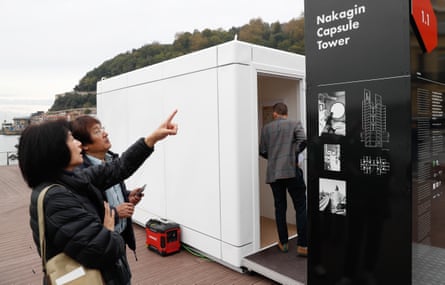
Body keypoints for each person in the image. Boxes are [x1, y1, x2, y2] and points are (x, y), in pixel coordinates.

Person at [19, 110, 178, 285]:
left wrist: (152, 138)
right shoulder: (56, 198)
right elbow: (102, 250)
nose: (79, 144)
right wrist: (109, 228)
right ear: (55, 150)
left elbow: (119, 168)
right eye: (71, 139)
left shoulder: (73, 180)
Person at [70, 115, 144, 262]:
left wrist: (127, 196)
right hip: (103, 243)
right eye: (97, 131)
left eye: (102, 129)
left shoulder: (111, 161)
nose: (105, 133)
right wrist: (116, 213)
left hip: (120, 237)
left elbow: (109, 193)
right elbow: (87, 214)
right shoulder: (83, 175)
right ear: (84, 145)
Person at [259, 102, 308, 257]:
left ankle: (284, 243)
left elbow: (263, 151)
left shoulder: (266, 128)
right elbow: (304, 140)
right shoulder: (295, 123)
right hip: (292, 172)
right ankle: (303, 246)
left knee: (280, 208)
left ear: (275, 114)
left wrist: (274, 159)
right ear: (285, 113)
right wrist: (292, 155)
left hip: (274, 175)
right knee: (300, 207)